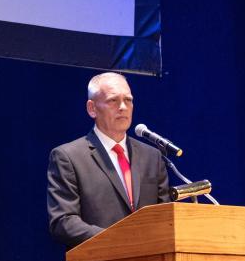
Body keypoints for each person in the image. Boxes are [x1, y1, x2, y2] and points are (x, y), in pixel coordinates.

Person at [47, 71, 171, 248]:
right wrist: (117, 240)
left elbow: (164, 216)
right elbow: (63, 222)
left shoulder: (152, 156)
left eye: (128, 100)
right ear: (92, 108)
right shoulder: (68, 157)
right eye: (113, 100)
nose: (123, 107)